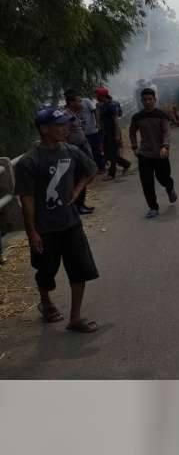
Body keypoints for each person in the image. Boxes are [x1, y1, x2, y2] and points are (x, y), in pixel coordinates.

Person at [14, 107, 99, 333]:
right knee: (46, 270)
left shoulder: (70, 151)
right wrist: (32, 232)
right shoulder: (29, 162)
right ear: (44, 129)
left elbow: (92, 169)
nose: (65, 128)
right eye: (59, 125)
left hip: (71, 223)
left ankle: (75, 317)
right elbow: (27, 199)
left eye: (65, 124)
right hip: (45, 228)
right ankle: (46, 300)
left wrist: (77, 190)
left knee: (80, 269)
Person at [129, 88, 178, 219]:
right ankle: (153, 207)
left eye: (150, 99)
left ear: (155, 100)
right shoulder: (137, 117)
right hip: (144, 154)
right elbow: (132, 132)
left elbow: (167, 132)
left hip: (161, 153)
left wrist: (165, 146)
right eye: (145, 100)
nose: (147, 102)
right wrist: (134, 147)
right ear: (141, 101)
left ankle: (169, 188)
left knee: (163, 177)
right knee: (147, 182)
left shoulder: (161, 115)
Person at [63, 90, 95, 214]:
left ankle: (81, 204)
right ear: (71, 103)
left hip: (81, 147)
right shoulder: (67, 116)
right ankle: (77, 205)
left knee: (83, 174)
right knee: (78, 176)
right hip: (74, 149)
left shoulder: (75, 114)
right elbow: (65, 134)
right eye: (78, 101)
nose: (81, 103)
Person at [96, 86, 131, 180]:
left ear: (102, 95)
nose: (96, 97)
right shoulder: (103, 104)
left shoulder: (111, 105)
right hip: (106, 131)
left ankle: (112, 174)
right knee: (108, 152)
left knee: (111, 152)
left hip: (112, 131)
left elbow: (116, 119)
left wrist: (117, 134)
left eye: (97, 95)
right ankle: (125, 164)